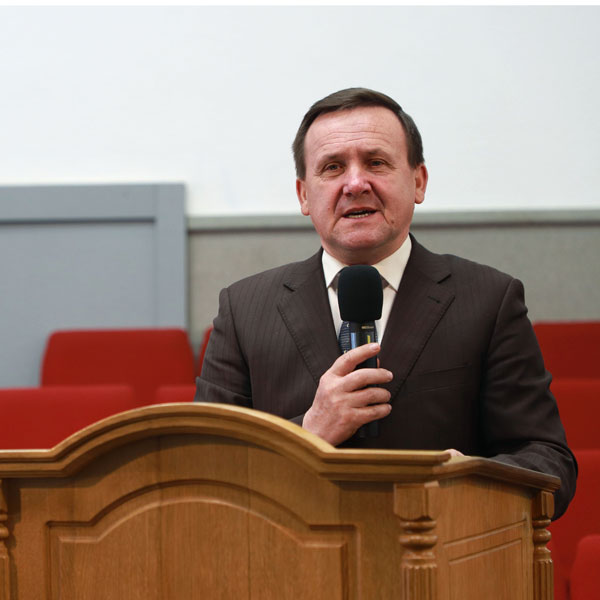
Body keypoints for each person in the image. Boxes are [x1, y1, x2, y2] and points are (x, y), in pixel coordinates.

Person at [195, 87, 576, 519]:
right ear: (303, 194)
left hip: (438, 553)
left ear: (418, 181)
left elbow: (549, 461)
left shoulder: (489, 299)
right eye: (333, 167)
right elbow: (203, 469)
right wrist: (308, 433)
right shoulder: (244, 309)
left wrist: (471, 481)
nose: (356, 183)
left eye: (376, 162)